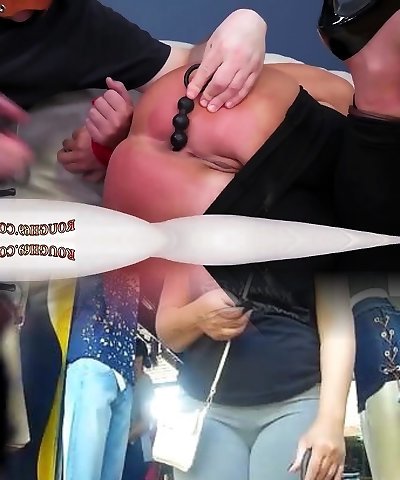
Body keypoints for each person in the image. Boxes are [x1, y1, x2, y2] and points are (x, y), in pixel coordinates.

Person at [98, 62, 357, 480]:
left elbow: (338, 328)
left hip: (296, 403)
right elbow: (169, 330)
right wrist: (199, 317)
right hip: (206, 409)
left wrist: (330, 422)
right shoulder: (195, 227)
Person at [122, 338, 155, 480]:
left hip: (137, 448)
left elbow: (146, 422)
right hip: (127, 446)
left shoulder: (145, 383)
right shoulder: (129, 381)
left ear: (139, 359)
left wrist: (122, 440)